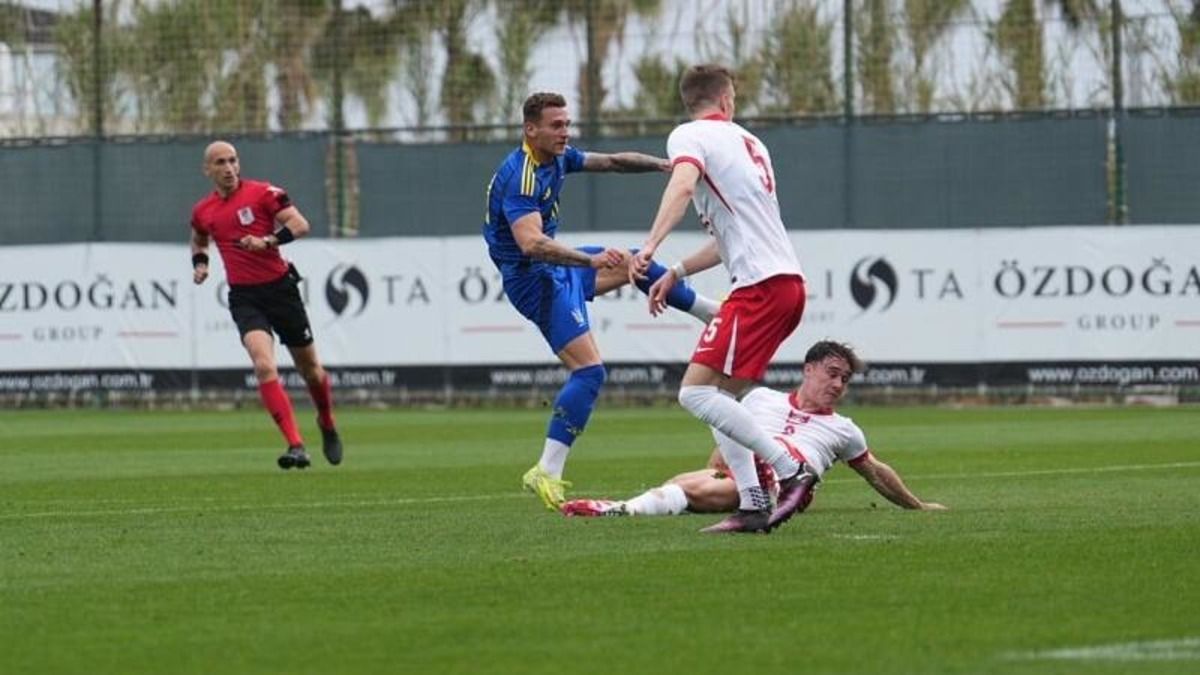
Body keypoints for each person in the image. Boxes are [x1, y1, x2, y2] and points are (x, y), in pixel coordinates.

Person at [484, 92, 721, 511]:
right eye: (556, 125)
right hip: (533, 280)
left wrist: (665, 166)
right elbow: (532, 244)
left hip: (556, 268)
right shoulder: (520, 176)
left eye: (567, 124)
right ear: (530, 129)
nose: (565, 132)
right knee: (590, 372)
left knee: (636, 261)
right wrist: (587, 259)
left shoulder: (556, 157)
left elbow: (611, 162)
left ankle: (711, 313)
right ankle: (546, 470)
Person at [629, 64, 811, 533]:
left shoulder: (688, 136)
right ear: (727, 102)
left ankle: (790, 469)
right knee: (719, 397)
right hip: (782, 283)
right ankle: (752, 504)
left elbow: (682, 184)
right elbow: (734, 236)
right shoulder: (752, 145)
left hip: (760, 286)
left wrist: (649, 248)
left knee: (694, 393)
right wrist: (677, 269)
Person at [560, 341, 946, 521]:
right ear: (808, 369)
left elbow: (875, 472)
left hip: (784, 482)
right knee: (693, 482)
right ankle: (628, 507)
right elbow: (724, 450)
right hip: (745, 473)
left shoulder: (843, 429)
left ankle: (619, 510)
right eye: (832, 373)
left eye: (844, 379)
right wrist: (715, 473)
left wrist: (917, 505)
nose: (838, 384)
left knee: (714, 488)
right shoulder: (761, 398)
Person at [190, 140, 342, 470]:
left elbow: (300, 224)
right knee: (263, 365)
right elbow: (200, 237)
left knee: (311, 371)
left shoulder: (263, 193)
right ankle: (296, 445)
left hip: (280, 290)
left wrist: (268, 241)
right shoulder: (204, 210)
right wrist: (200, 264)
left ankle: (327, 422)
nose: (228, 167)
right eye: (220, 162)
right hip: (245, 297)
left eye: (232, 160)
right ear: (208, 170)